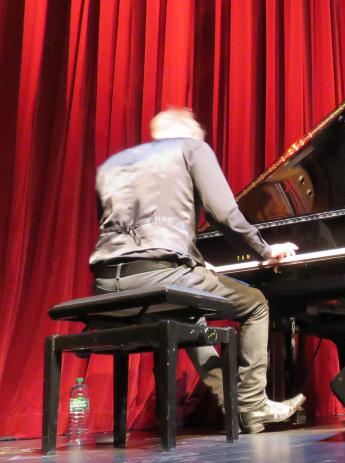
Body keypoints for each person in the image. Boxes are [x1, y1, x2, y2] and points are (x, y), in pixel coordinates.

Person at [90, 108, 305, 433]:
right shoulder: (191, 148)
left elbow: (116, 231)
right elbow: (223, 213)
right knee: (257, 304)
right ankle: (253, 405)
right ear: (188, 132)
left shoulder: (110, 166)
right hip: (159, 274)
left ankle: (232, 404)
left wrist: (187, 258)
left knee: (188, 317)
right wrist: (264, 248)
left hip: (107, 284)